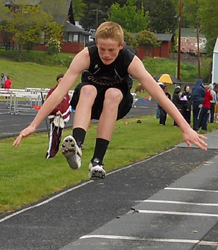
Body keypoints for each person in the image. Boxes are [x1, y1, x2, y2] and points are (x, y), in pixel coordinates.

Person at [13, 21, 207, 180]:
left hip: (117, 103)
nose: (106, 55)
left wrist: (185, 127)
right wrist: (34, 124)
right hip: (88, 102)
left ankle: (97, 160)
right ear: (95, 44)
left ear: (121, 46)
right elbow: (58, 92)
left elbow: (157, 93)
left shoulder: (129, 60)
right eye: (102, 49)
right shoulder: (86, 55)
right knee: (88, 88)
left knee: (112, 94)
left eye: (111, 50)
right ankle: (77, 146)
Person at [45, 73, 71, 158]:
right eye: (60, 80)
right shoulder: (53, 91)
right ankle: (50, 153)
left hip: (62, 118)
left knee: (59, 136)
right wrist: (56, 110)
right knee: (54, 136)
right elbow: (49, 102)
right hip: (54, 117)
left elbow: (67, 104)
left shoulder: (66, 93)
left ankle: (55, 152)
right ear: (57, 81)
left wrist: (65, 114)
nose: (61, 82)